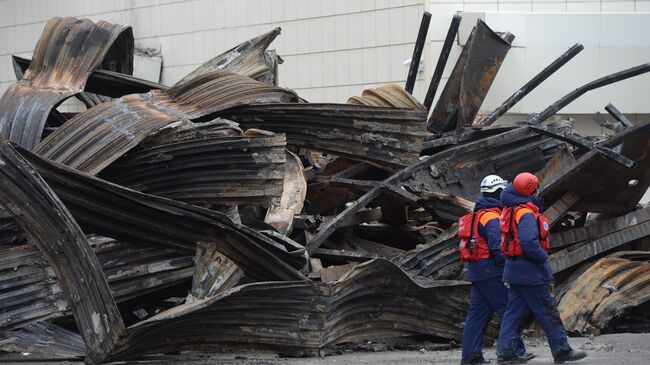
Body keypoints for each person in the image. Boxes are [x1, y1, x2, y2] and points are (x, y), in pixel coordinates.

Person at [496, 172, 587, 364]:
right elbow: (529, 243)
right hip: (529, 270)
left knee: (513, 314)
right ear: (531, 190)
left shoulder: (511, 209)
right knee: (547, 311)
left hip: (513, 269)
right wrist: (543, 257)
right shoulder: (526, 213)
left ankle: (506, 353)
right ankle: (562, 350)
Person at [458, 175, 532, 365]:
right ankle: (514, 352)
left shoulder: (476, 215)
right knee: (508, 309)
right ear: (499, 192)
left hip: (475, 270)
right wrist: (508, 267)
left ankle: (470, 357)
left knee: (477, 314)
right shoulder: (491, 217)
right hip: (490, 270)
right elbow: (497, 248)